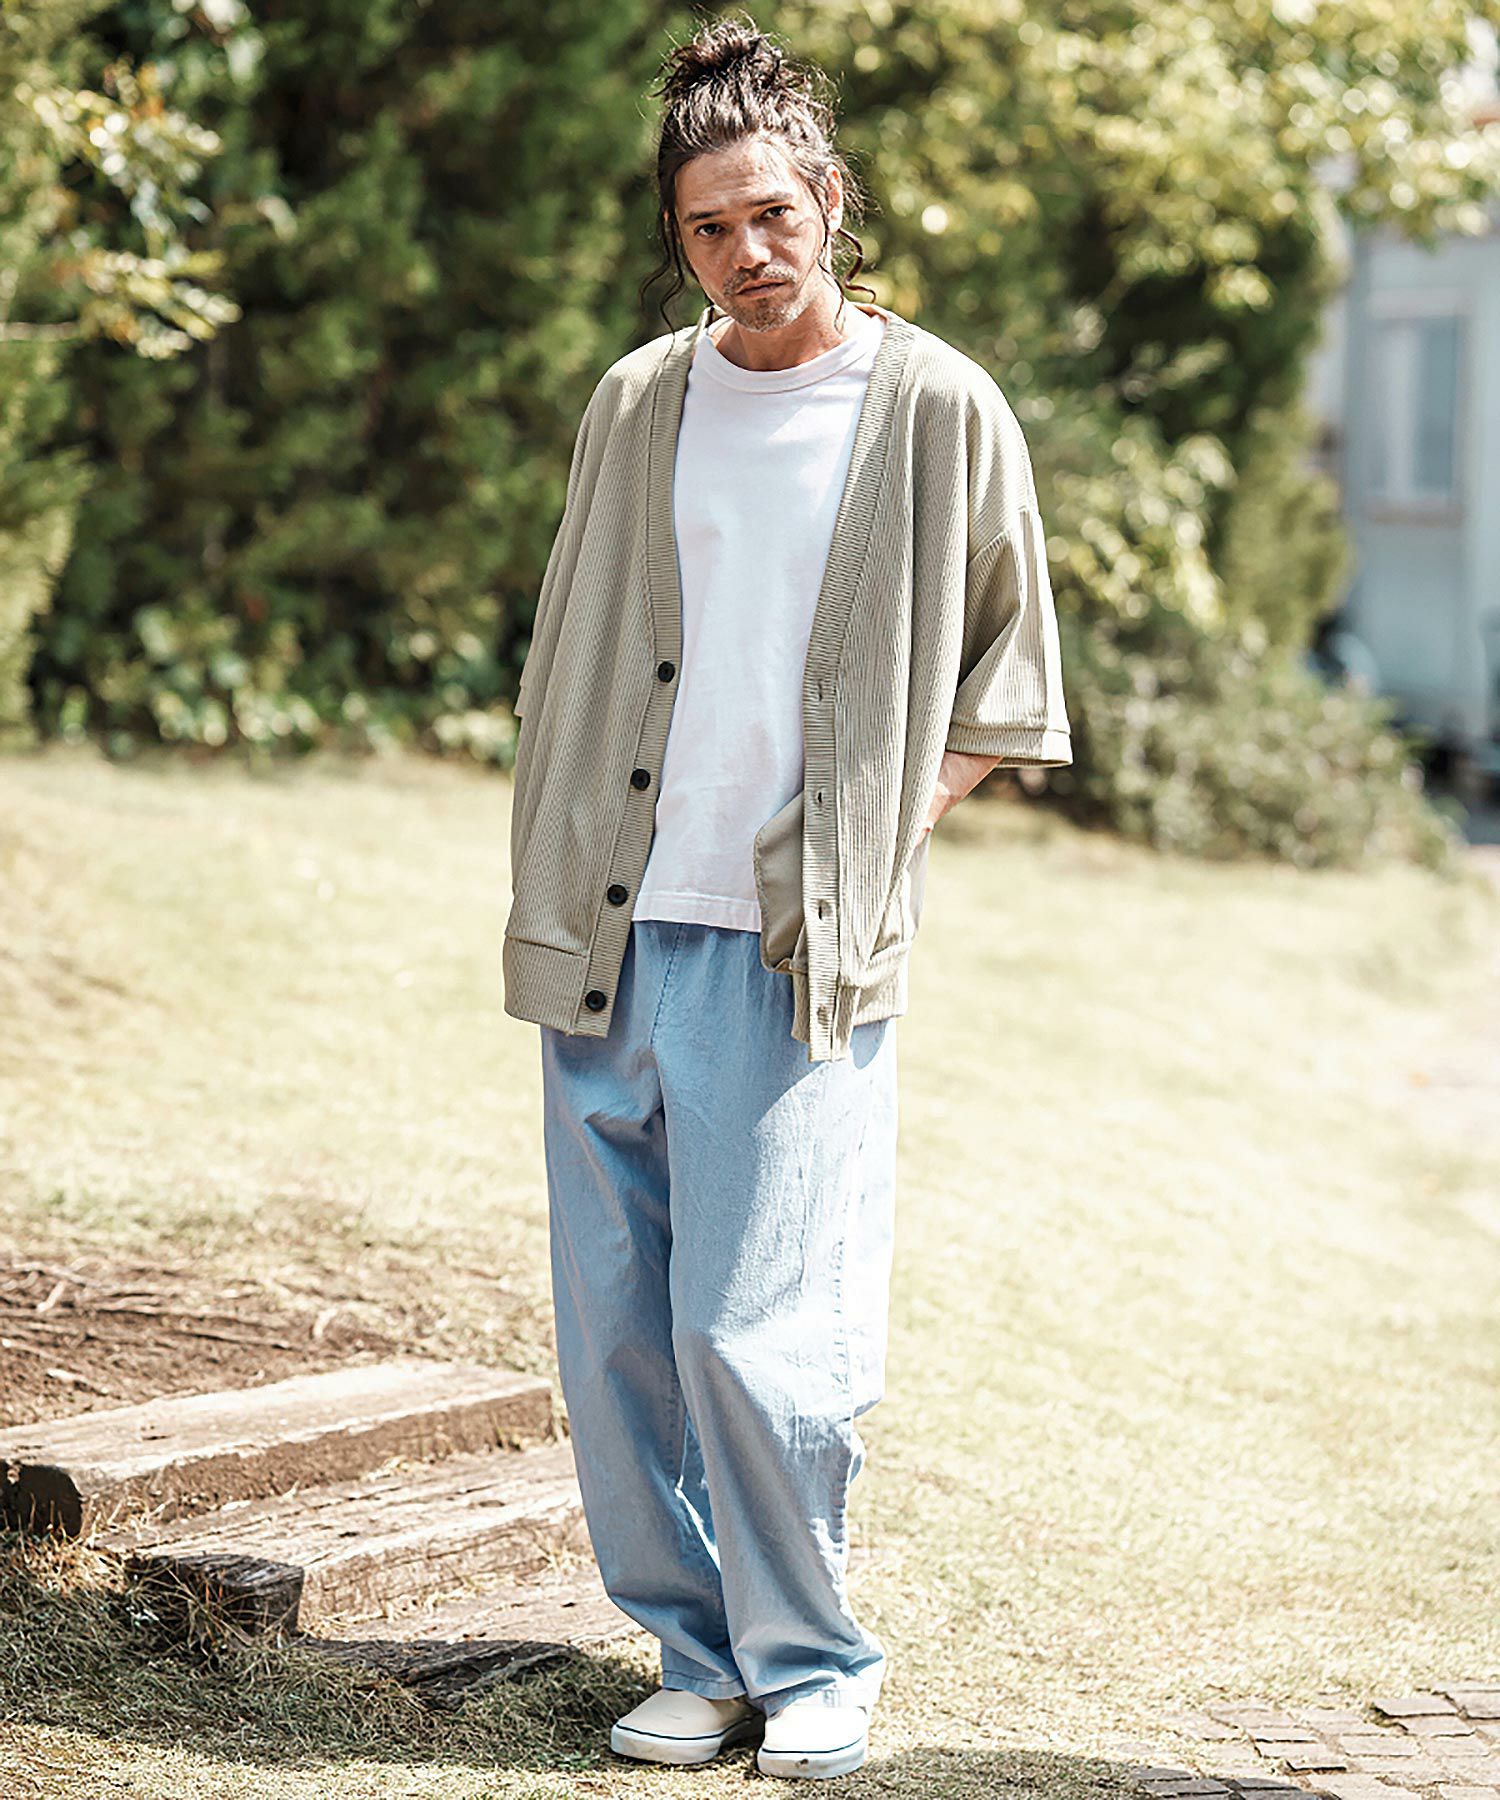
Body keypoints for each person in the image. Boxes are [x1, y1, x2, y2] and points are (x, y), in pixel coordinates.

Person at [503, 14, 1072, 1781]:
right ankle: (694, 1654)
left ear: (830, 199)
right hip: (613, 924)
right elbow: (573, 641)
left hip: (788, 942)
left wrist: (873, 835)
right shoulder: (637, 401)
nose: (748, 251)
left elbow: (1006, 682)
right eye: (709, 227)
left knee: (759, 1328)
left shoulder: (938, 405)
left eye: (772, 212)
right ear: (678, 241)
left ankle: (812, 1658)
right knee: (620, 1329)